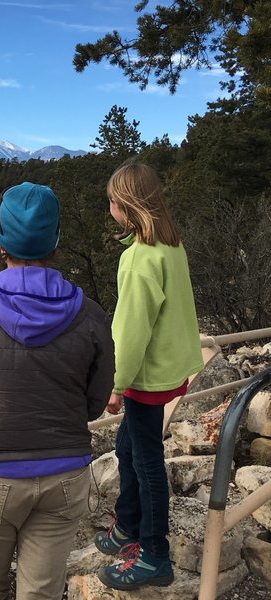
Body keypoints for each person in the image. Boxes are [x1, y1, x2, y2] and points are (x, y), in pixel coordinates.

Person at [0, 182, 114, 600]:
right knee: (42, 593)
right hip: (64, 474)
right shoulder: (90, 314)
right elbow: (96, 399)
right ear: (56, 240)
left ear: (0, 239)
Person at [95, 161, 204, 590]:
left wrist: (115, 383)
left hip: (147, 379)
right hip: (170, 369)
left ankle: (154, 553)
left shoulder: (138, 258)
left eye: (110, 202)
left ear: (122, 206)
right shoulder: (171, 247)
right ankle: (128, 524)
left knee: (147, 461)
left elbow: (130, 329)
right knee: (128, 449)